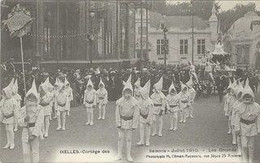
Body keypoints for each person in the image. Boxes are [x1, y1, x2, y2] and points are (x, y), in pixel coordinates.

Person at [233, 79, 260, 163]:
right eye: (245, 96)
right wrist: (237, 128)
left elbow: (258, 118)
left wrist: (259, 128)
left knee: (251, 146)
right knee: (244, 146)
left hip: (252, 127)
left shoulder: (256, 106)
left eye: (249, 96)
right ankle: (245, 160)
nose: (247, 98)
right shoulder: (240, 106)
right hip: (242, 127)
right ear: (243, 97)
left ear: (252, 96)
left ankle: (250, 160)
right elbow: (237, 118)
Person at [17, 79, 44, 163]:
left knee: (35, 152)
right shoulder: (23, 109)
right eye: (29, 98)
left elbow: (39, 122)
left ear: (36, 98)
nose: (31, 100)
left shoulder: (40, 109)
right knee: (25, 153)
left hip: (35, 131)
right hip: (25, 131)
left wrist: (34, 134)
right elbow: (19, 122)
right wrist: (24, 120)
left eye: (33, 98)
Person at [115, 79, 139, 162]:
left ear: (131, 93)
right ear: (123, 92)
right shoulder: (119, 102)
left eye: (129, 92)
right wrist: (118, 123)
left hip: (130, 122)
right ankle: (119, 154)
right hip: (121, 121)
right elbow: (117, 113)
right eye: (126, 92)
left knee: (128, 138)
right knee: (120, 137)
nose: (127, 94)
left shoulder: (135, 102)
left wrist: (134, 125)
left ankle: (128, 155)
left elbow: (136, 114)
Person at [0, 78, 18, 149]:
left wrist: (16, 119)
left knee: (10, 130)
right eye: (3, 93)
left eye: (5, 93)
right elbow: (1, 108)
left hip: (11, 117)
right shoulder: (3, 100)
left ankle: (12, 143)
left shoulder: (13, 100)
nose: (4, 94)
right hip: (5, 117)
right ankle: (8, 142)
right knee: (7, 130)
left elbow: (15, 110)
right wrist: (1, 116)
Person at [137, 80, 153, 146]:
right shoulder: (140, 100)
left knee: (148, 128)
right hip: (142, 116)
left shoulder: (149, 102)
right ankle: (141, 140)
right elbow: (138, 108)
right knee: (141, 128)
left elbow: (151, 112)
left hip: (148, 116)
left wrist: (148, 119)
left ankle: (147, 141)